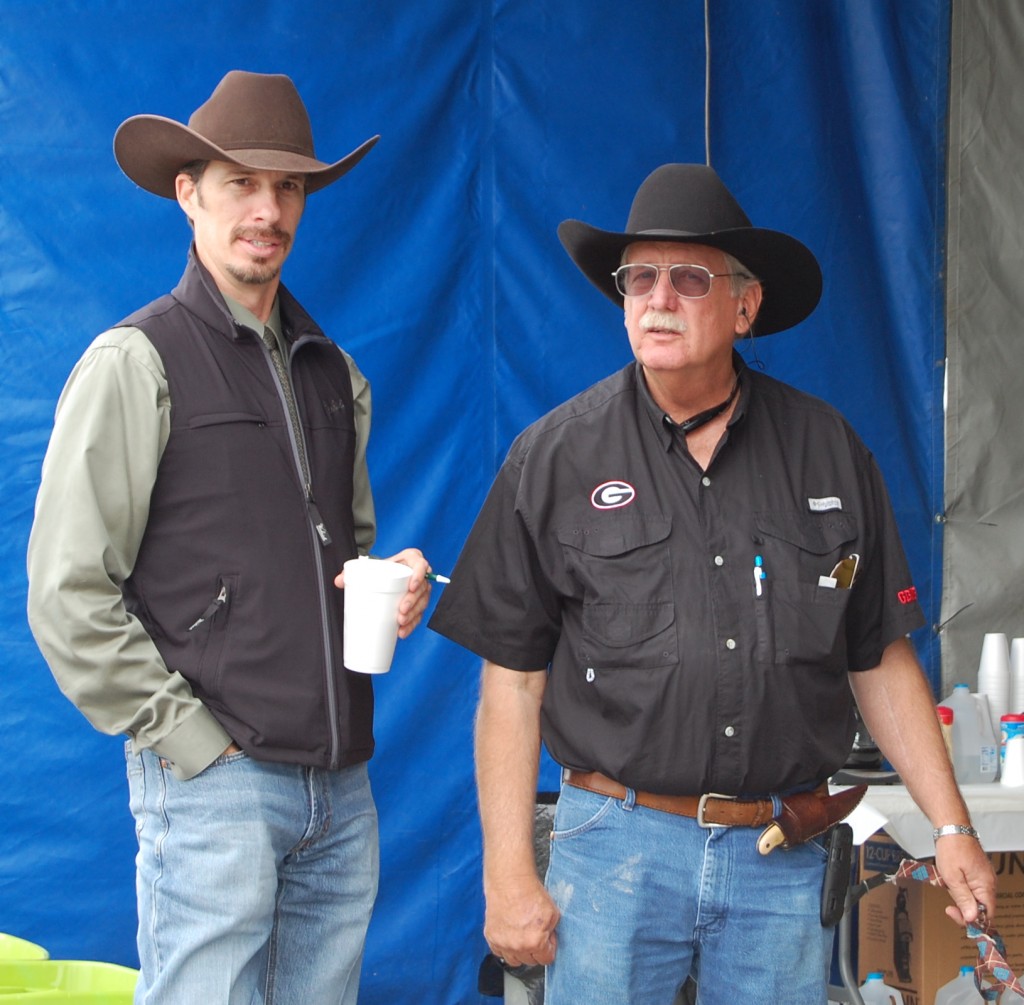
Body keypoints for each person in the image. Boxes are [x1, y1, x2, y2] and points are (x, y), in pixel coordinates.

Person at [429, 163, 996, 1004]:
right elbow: (510, 683)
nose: (659, 298)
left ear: (745, 305)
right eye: (640, 277)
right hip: (615, 847)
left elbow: (877, 656)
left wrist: (952, 826)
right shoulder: (552, 459)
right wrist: (507, 872)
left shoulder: (828, 449)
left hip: (780, 855)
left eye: (689, 278)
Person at [26, 70, 433, 1004]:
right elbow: (67, 592)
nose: (268, 208)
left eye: (287, 186)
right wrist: (190, 742)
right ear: (189, 193)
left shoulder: (337, 373)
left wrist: (393, 582)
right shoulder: (137, 361)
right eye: (241, 182)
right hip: (217, 782)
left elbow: (347, 557)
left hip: (340, 788)